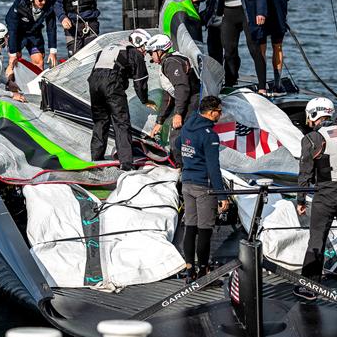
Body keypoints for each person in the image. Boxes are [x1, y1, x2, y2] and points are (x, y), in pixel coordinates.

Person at [295, 97, 337, 300]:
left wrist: (300, 200)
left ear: (314, 114)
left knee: (317, 239)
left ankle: (310, 286)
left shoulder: (311, 139)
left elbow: (305, 173)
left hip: (325, 196)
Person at [88, 29, 157, 171]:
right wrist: (145, 100)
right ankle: (126, 164)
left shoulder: (110, 48)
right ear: (140, 44)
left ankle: (96, 158)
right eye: (146, 48)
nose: (146, 52)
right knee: (121, 123)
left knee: (100, 121)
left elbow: (107, 70)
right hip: (111, 84)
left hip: (93, 83)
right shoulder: (135, 54)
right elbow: (140, 82)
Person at [179, 96, 230, 281]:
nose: (221, 114)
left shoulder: (188, 126)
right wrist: (222, 196)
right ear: (211, 112)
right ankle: (203, 271)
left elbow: (178, 146)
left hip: (187, 183)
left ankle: (189, 269)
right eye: (219, 111)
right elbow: (213, 167)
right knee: (205, 229)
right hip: (203, 187)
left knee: (190, 227)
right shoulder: (209, 135)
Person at [145, 34, 201, 166]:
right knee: (176, 136)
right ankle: (180, 164)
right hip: (186, 101)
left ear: (160, 51)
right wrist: (160, 121)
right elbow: (168, 96)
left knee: (177, 138)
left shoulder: (171, 63)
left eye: (151, 52)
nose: (149, 56)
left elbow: (182, 88)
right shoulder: (168, 61)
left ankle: (182, 167)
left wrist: (178, 114)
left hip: (192, 101)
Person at [5, 0, 58, 71]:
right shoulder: (19, 5)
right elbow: (12, 30)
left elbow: (51, 28)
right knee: (14, 61)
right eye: (40, 0)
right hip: (18, 34)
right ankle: (9, 83)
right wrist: (12, 54)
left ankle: (39, 84)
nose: (44, 2)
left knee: (39, 61)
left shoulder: (48, 5)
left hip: (34, 34)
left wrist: (53, 51)